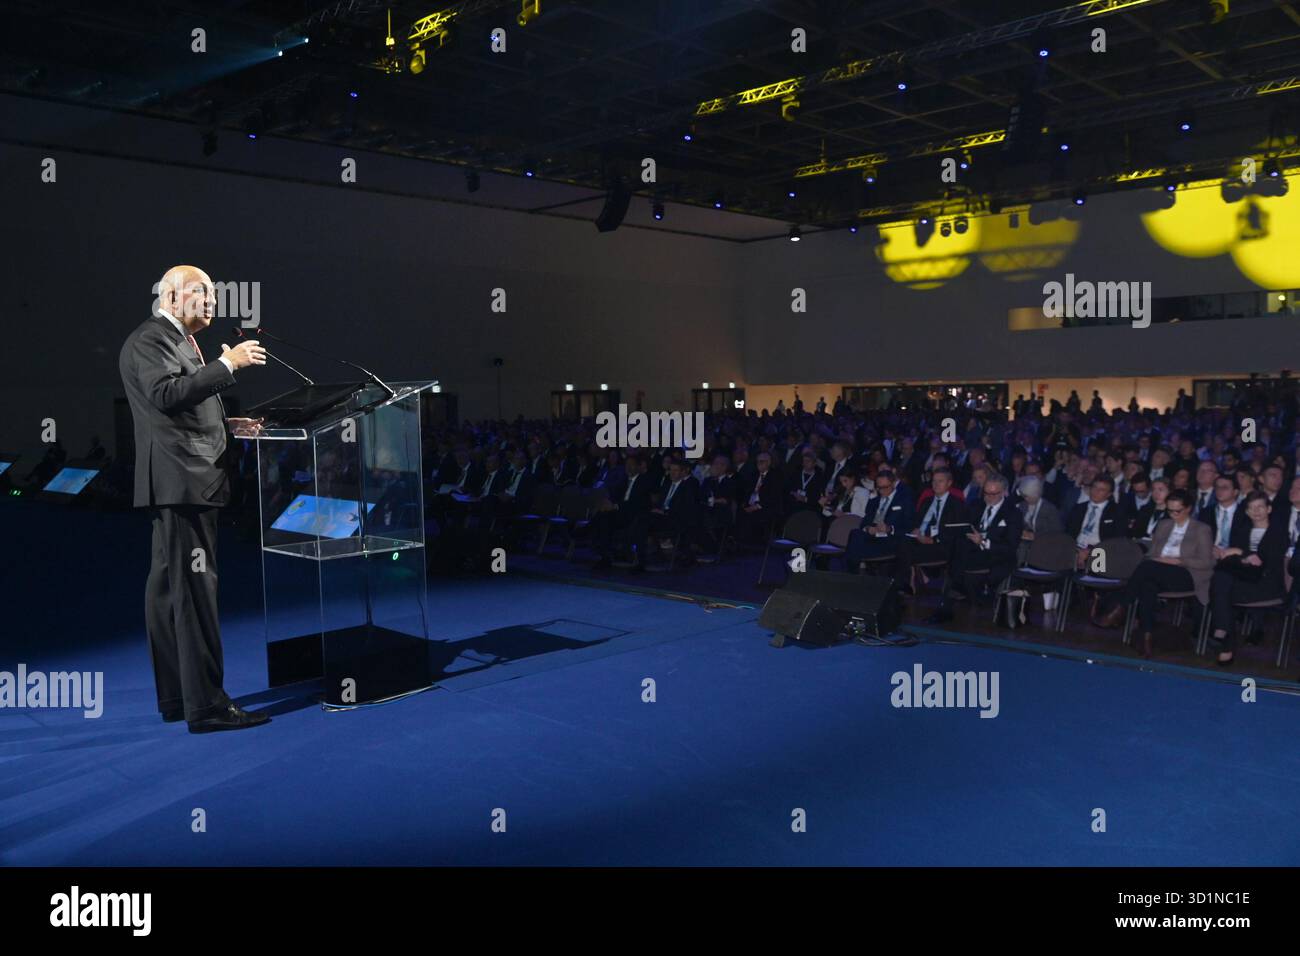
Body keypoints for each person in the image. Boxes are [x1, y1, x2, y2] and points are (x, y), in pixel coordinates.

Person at [118, 265, 270, 733]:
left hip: (183, 480)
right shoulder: (150, 339)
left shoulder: (177, 341)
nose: (211, 303)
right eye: (202, 293)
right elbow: (166, 395)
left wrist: (227, 426)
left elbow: (178, 411)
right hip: (182, 482)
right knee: (196, 593)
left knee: (168, 591)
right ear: (170, 294)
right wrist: (228, 366)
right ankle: (207, 706)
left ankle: (180, 698)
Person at [1105, 490, 1214, 658]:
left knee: (1147, 567)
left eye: (1177, 511)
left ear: (1188, 509)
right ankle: (1147, 640)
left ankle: (1121, 607)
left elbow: (1208, 562)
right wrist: (1159, 560)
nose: (1173, 514)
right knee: (1147, 586)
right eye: (1169, 510)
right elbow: (1151, 553)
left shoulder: (1202, 529)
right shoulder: (1164, 525)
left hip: (1187, 574)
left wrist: (1178, 561)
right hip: (1158, 571)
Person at [928, 475, 1024, 624]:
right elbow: (965, 526)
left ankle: (954, 598)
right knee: (958, 551)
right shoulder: (976, 505)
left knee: (960, 563)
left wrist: (984, 541)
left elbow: (1010, 546)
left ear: (1004, 492)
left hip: (996, 554)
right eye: (986, 493)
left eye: (993, 494)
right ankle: (948, 604)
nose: (989, 497)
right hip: (972, 551)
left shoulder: (1013, 513)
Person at [1207, 491, 1287, 666]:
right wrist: (1243, 556)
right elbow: (1235, 559)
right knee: (1221, 579)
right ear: (1247, 512)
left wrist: (1241, 552)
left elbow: (1265, 561)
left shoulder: (1278, 532)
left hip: (1265, 583)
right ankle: (1225, 638)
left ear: (1269, 509)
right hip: (1241, 578)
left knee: (1221, 586)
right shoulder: (1242, 531)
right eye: (1251, 508)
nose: (1256, 511)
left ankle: (1224, 638)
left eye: (1260, 507)